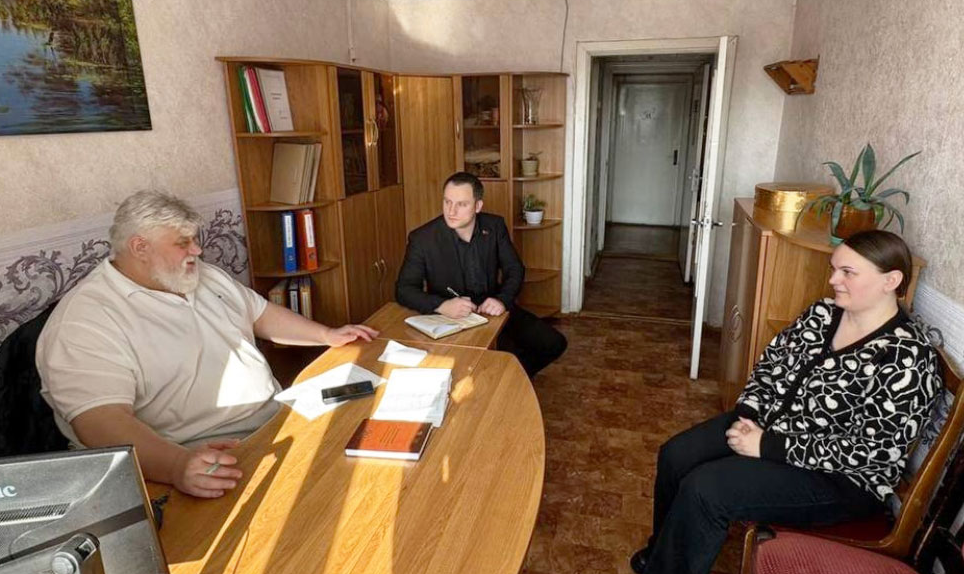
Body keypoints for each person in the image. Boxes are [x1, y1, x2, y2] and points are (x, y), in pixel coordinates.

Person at [615, 230, 941, 574]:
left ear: (890, 280)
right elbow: (771, 364)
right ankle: (666, 554)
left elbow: (872, 453)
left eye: (847, 272)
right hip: (771, 428)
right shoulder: (823, 314)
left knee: (707, 488)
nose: (833, 280)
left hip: (840, 480)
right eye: (834, 269)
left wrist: (767, 445)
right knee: (677, 454)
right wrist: (749, 416)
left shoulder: (908, 360)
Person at [37, 190, 378, 499]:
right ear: (140, 247)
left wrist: (326, 335)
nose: (197, 251)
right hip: (197, 457)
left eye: (194, 240)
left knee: (371, 457)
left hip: (275, 420)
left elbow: (260, 315)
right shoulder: (86, 319)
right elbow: (99, 422)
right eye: (183, 243)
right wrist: (176, 465)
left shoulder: (201, 275)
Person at [395, 172, 567, 377]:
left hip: (492, 308)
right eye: (447, 202)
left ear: (478, 206)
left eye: (461, 204)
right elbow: (404, 289)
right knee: (503, 360)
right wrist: (442, 305)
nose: (451, 211)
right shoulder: (422, 238)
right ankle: (505, 381)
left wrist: (502, 300)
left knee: (554, 343)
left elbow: (515, 268)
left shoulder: (495, 226)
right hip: (451, 317)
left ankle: (513, 381)